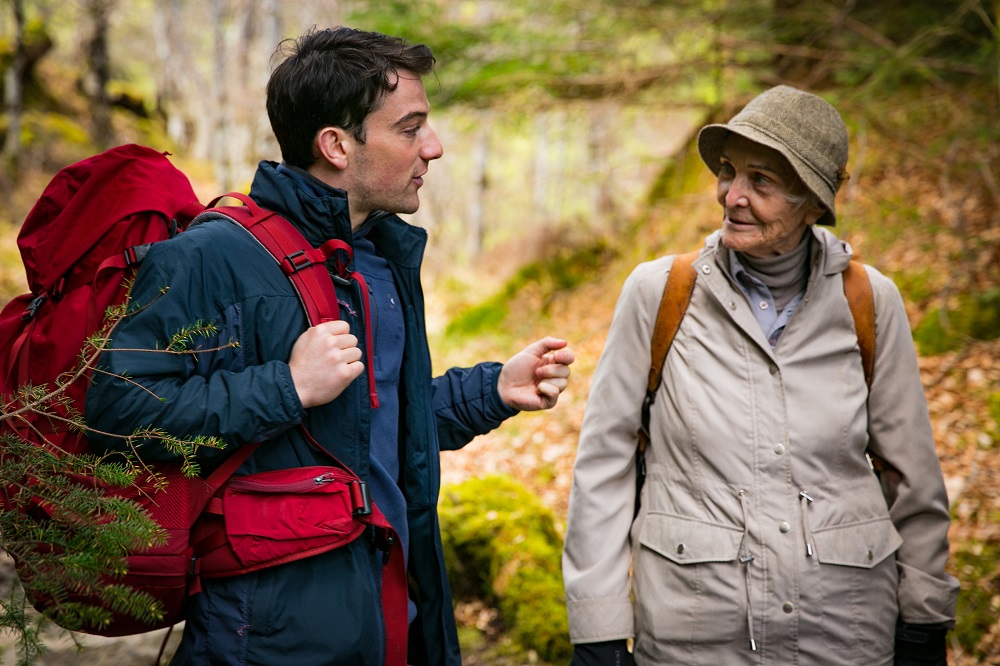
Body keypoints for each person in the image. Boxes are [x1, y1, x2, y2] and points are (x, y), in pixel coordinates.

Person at [85, 26, 574, 666]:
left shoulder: (374, 258)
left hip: (389, 610)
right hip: (264, 635)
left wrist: (491, 390)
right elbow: (117, 410)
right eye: (410, 127)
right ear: (337, 145)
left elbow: (369, 420)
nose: (435, 147)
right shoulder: (213, 257)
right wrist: (285, 387)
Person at [562, 85, 958, 665]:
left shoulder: (868, 301)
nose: (733, 197)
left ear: (813, 202)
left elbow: (912, 477)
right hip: (695, 638)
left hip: (843, 637)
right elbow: (604, 464)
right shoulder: (661, 293)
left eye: (762, 182)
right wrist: (596, 628)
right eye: (728, 173)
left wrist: (924, 619)